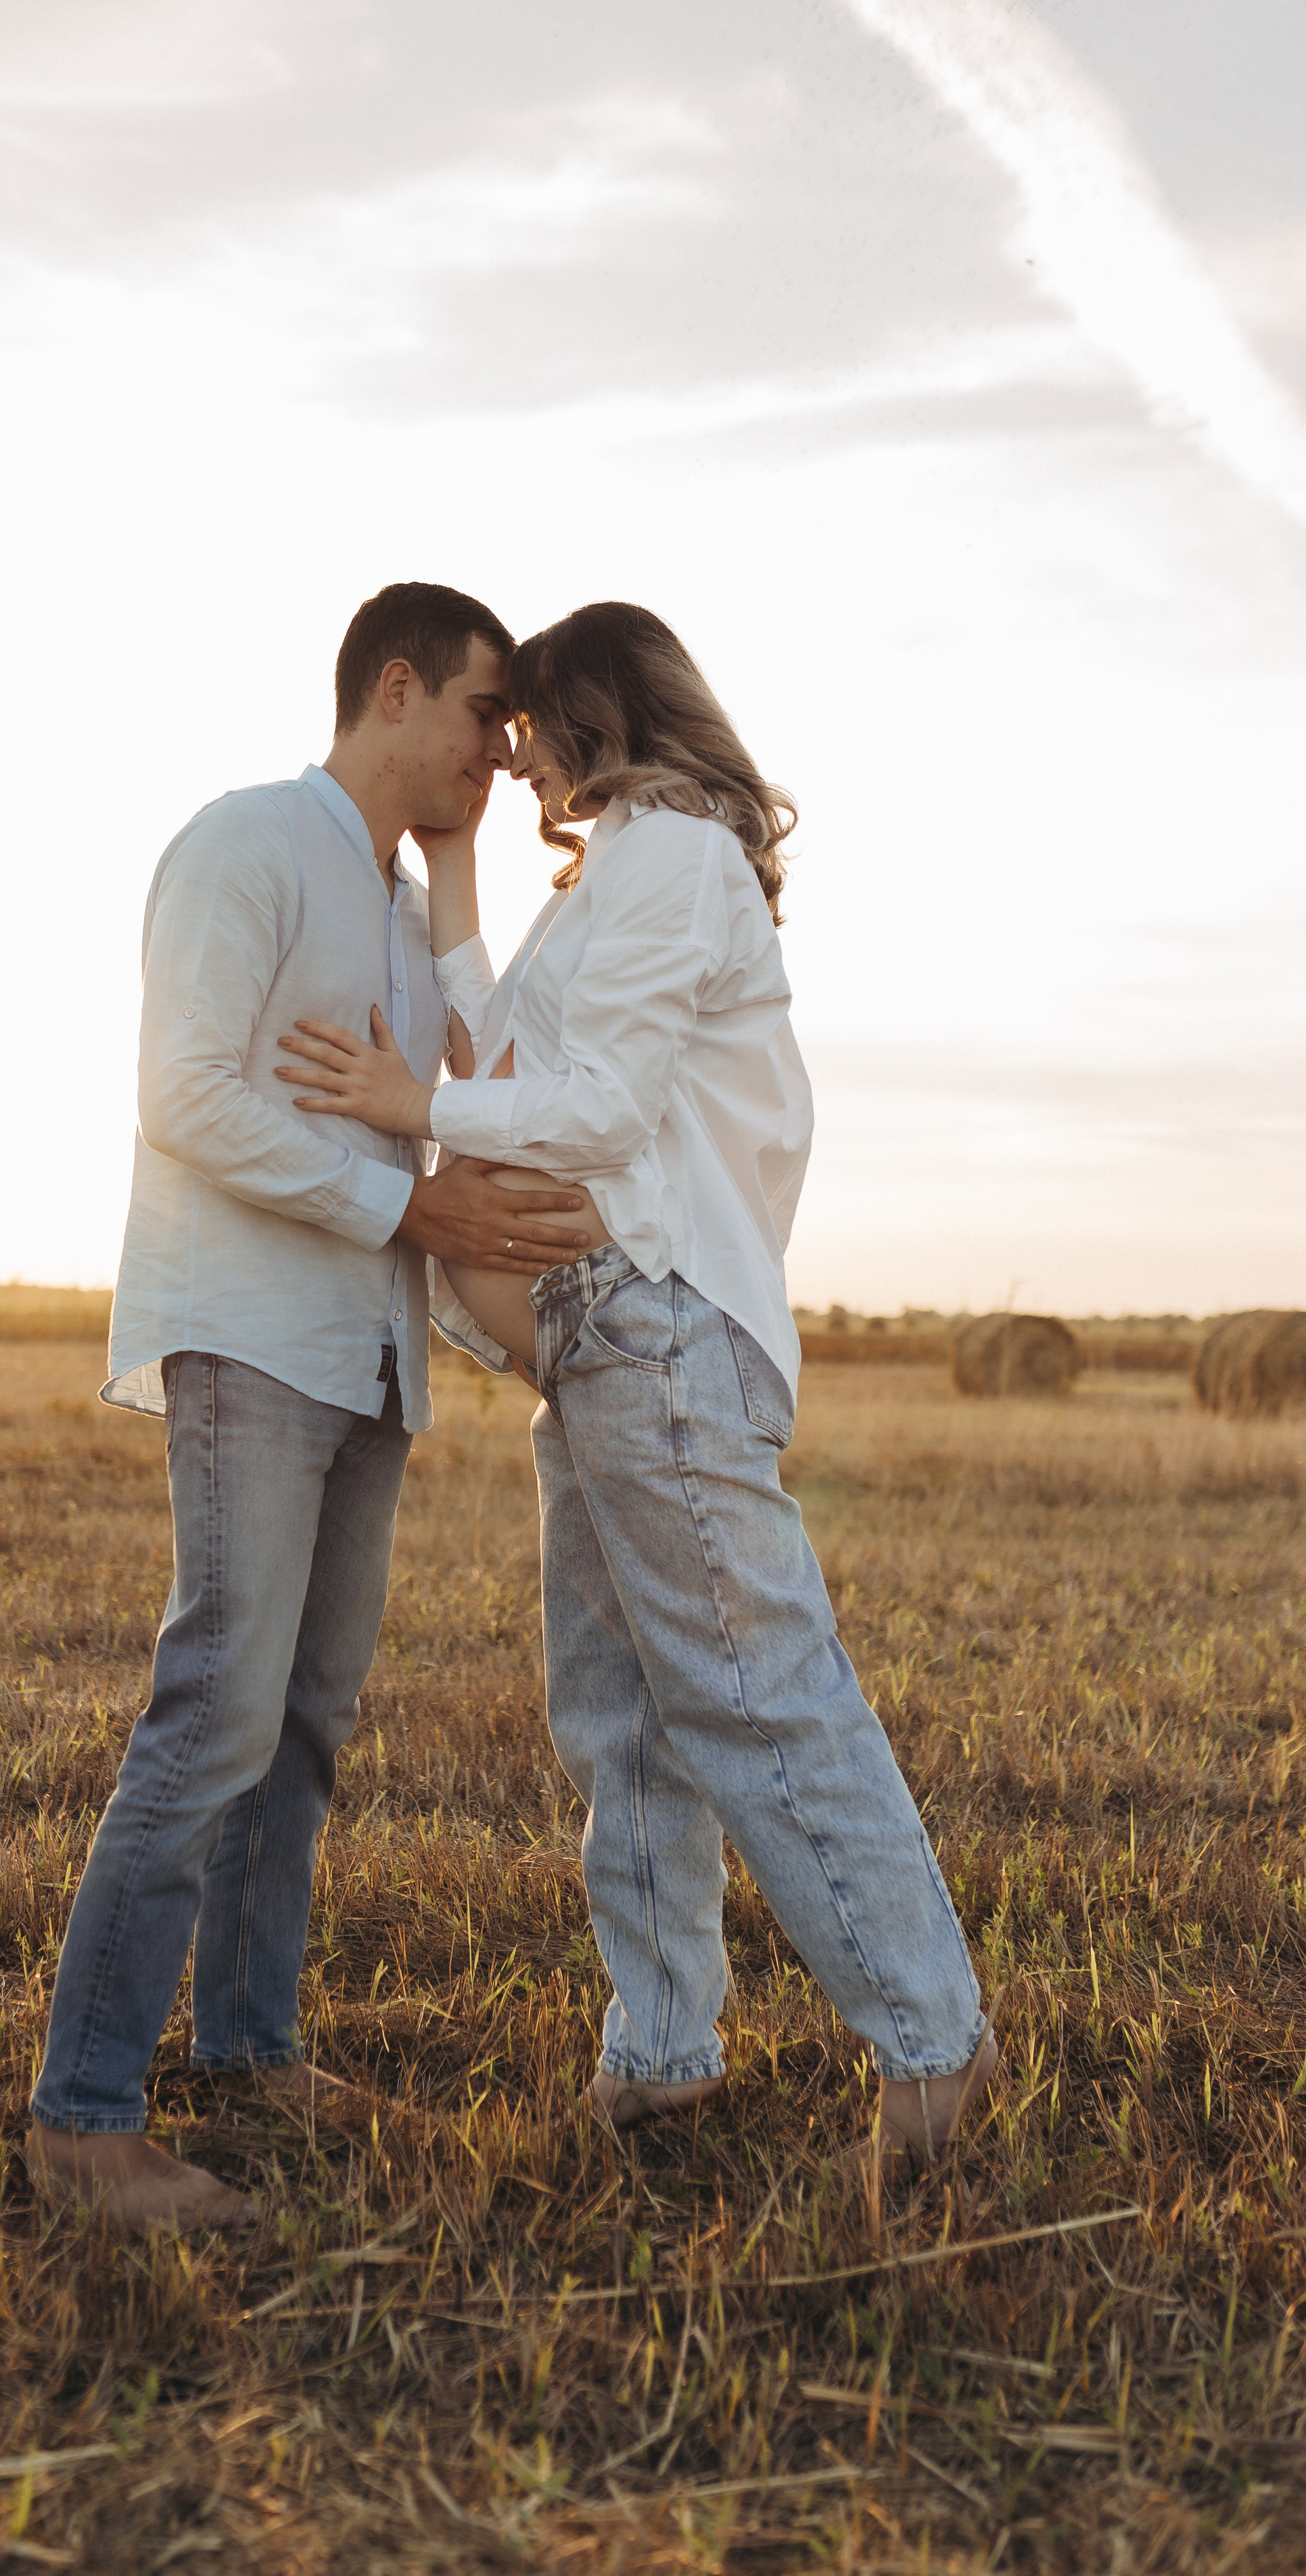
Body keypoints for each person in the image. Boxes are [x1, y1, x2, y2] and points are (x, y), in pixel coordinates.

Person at [276, 601, 998, 2159]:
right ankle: (659, 2060)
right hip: (603, 1350)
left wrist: (411, 1101)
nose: (507, 753)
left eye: (521, 726)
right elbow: (507, 1044)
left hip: (659, 1324)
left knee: (751, 1694)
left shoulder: (672, 853)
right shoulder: (617, 875)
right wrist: (461, 860)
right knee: (624, 1723)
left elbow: (588, 1112)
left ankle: (931, 2047)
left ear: (593, 706)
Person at [26, 582, 598, 2232]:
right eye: (484, 714)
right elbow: (182, 1093)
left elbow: (468, 1094)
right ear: (394, 688)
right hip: (256, 1333)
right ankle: (84, 2118)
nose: (505, 746)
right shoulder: (248, 842)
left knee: (305, 1728)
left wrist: (465, 881)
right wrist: (410, 1214)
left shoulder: (400, 906)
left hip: (367, 1358)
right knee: (213, 1710)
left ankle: (251, 2048)